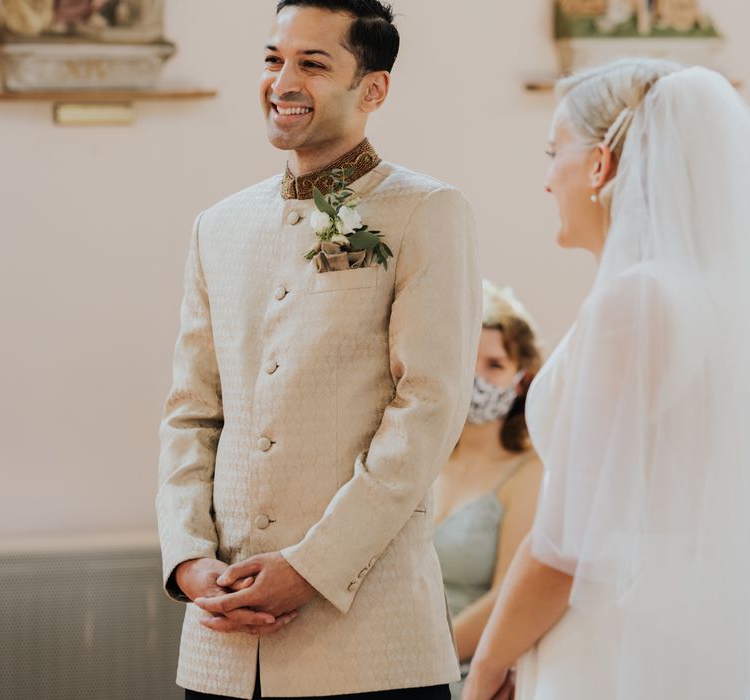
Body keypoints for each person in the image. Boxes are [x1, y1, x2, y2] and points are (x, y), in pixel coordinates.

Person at [156, 1, 481, 699]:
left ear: (373, 89)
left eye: (312, 62)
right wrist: (189, 560)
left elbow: (428, 409)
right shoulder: (218, 227)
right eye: (274, 59)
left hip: (369, 647)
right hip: (221, 646)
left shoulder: (426, 212)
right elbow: (191, 412)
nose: (282, 81)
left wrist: (309, 568)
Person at [463, 58, 750, 700]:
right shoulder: (717, 298)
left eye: (553, 152)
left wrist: (486, 666)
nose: (545, 181)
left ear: (600, 165)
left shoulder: (636, 303)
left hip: (610, 637)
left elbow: (567, 541)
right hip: (693, 627)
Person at [434, 282, 543, 700]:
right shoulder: (426, 458)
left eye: (495, 365)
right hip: (381, 661)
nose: (477, 378)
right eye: (469, 361)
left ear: (520, 380)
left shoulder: (529, 471)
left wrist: (424, 661)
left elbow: (507, 596)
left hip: (460, 670)